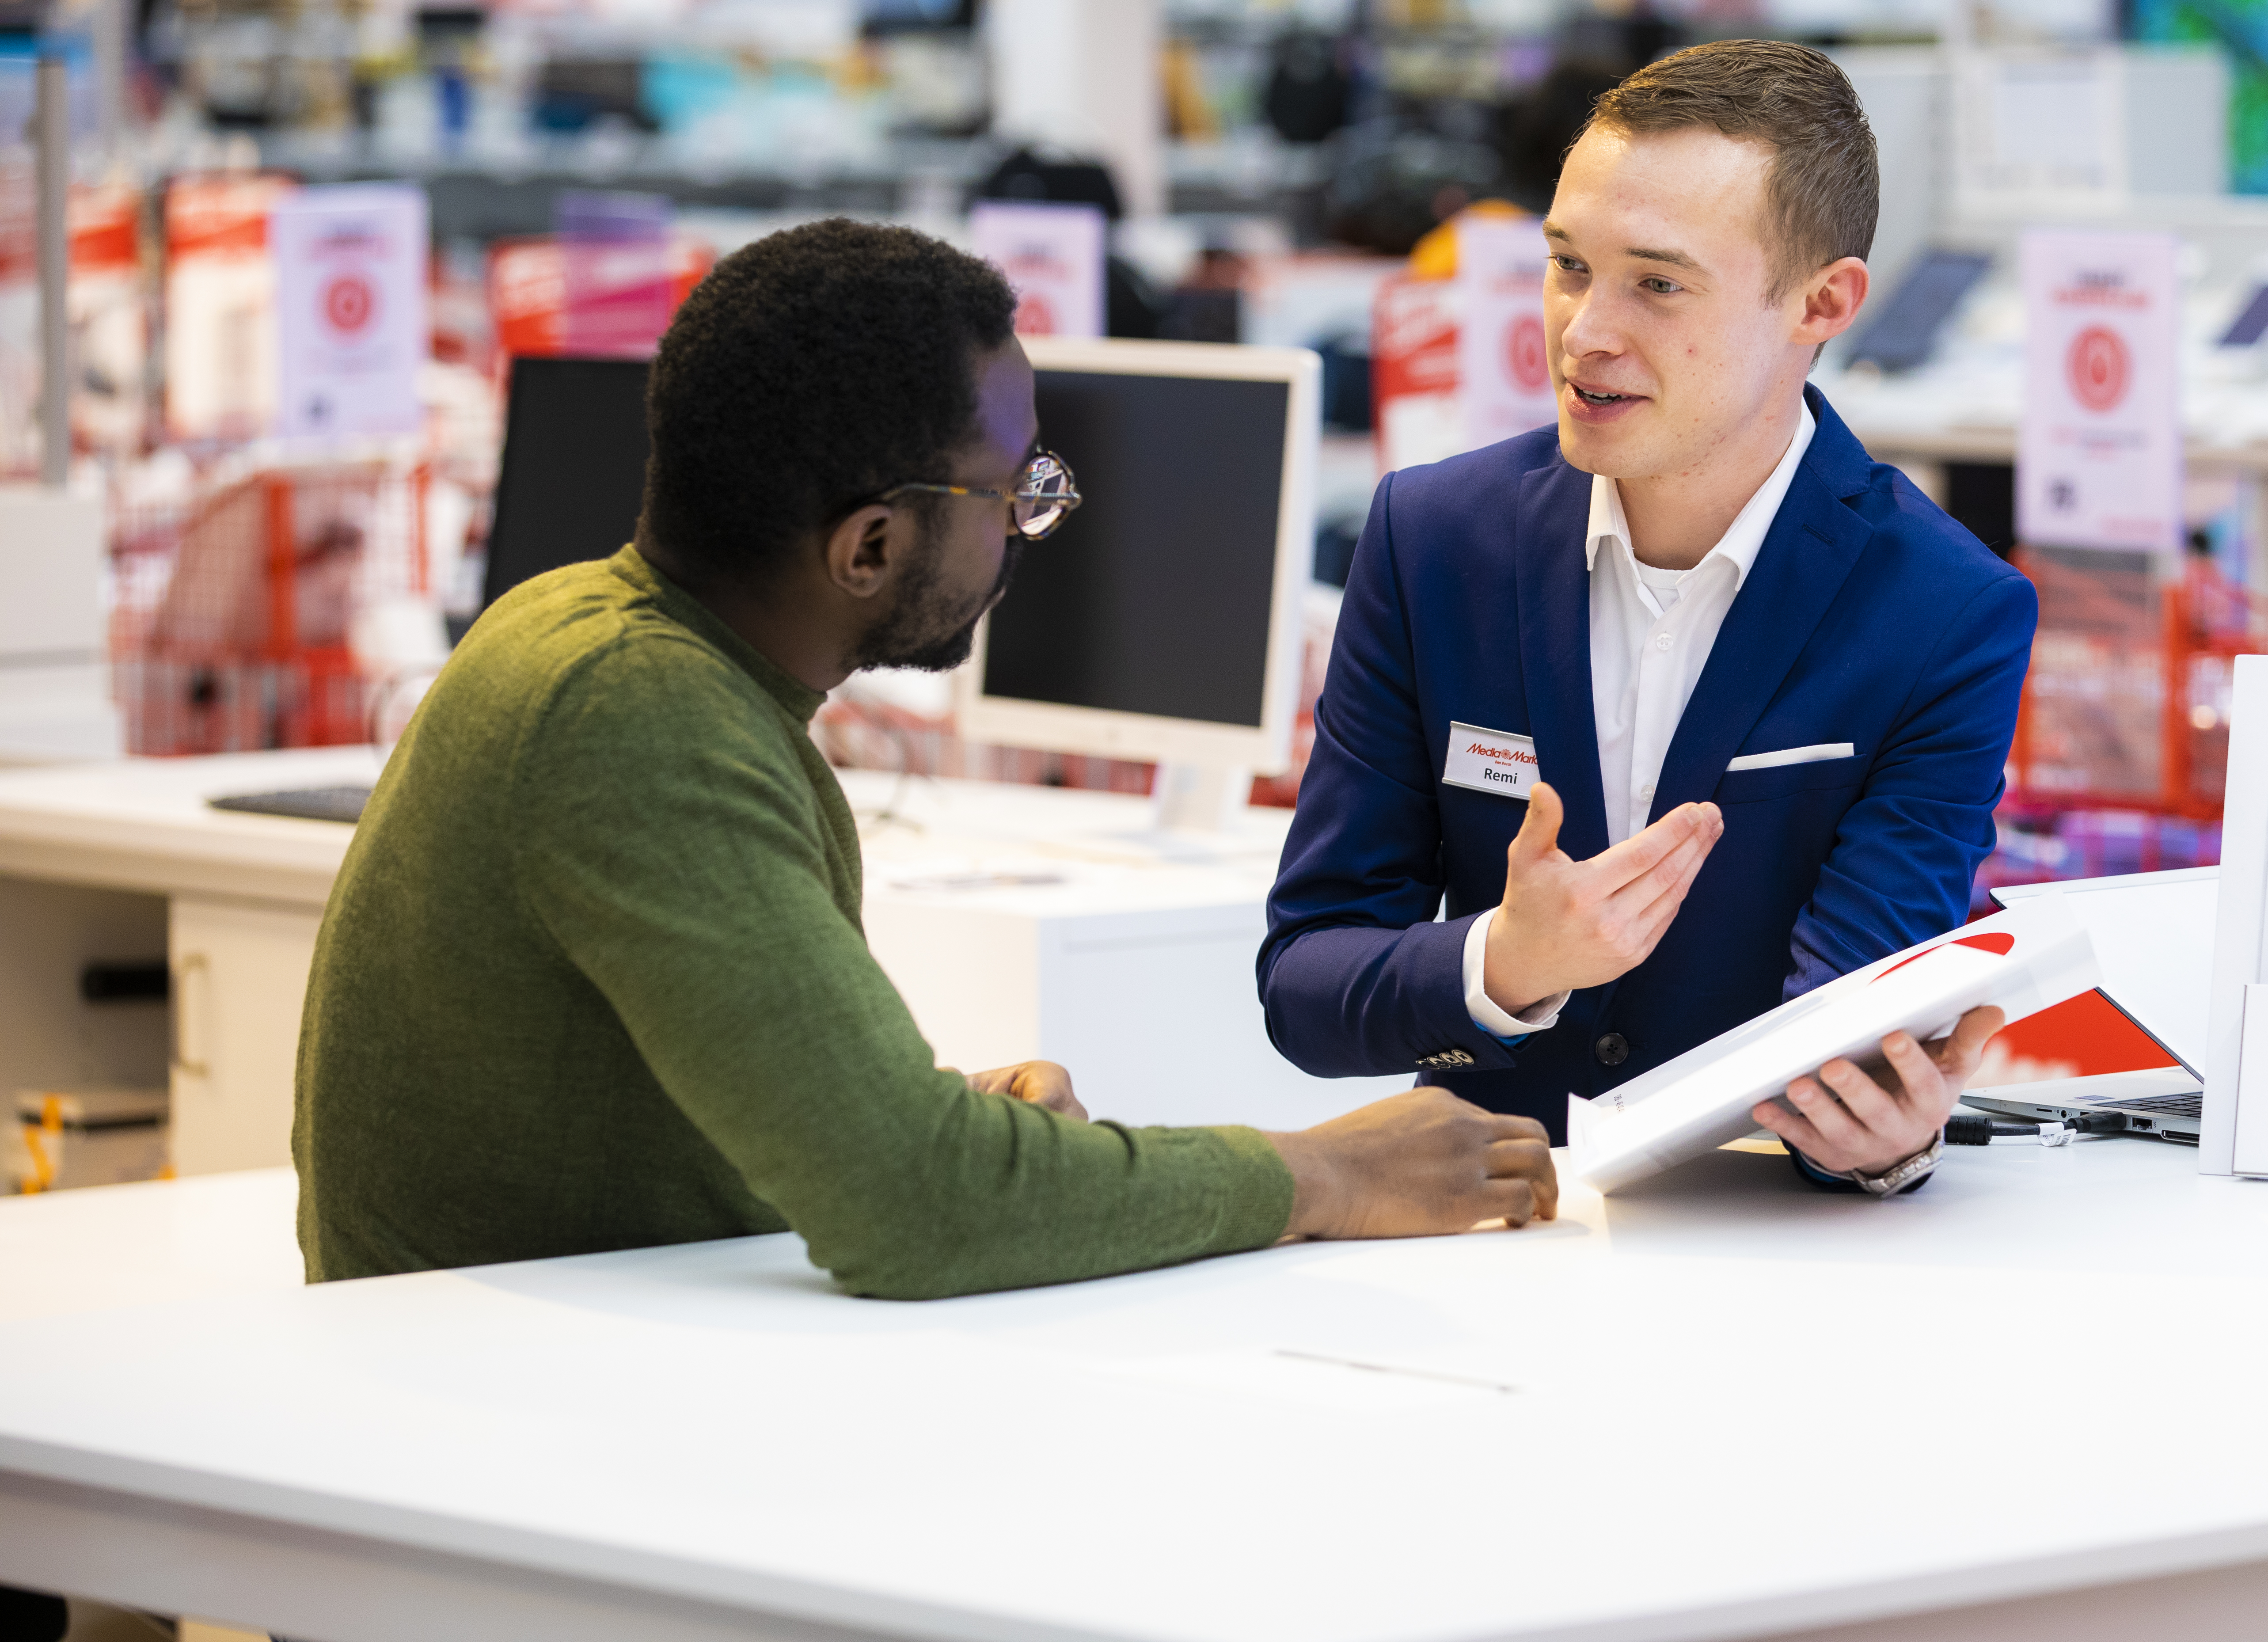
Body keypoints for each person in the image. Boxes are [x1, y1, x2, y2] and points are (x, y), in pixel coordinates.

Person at [294, 219, 1554, 1300]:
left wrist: (935, 1118)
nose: (1028, 533)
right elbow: (915, 1208)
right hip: (519, 1430)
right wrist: (1332, 1173)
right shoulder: (642, 720)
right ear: (870, 549)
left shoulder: (581, 633)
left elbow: (751, 1128)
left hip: (539, 1358)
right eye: (1013, 495)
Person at [1258, 41, 2038, 1194]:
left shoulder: (1943, 611)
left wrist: (1889, 1145)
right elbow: (1307, 986)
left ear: (1822, 303)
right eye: (1570, 266)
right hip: (1492, 1241)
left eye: (1658, 283)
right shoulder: (1435, 541)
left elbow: (1848, 1024)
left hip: (1764, 1272)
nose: (1584, 333)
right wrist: (1502, 965)